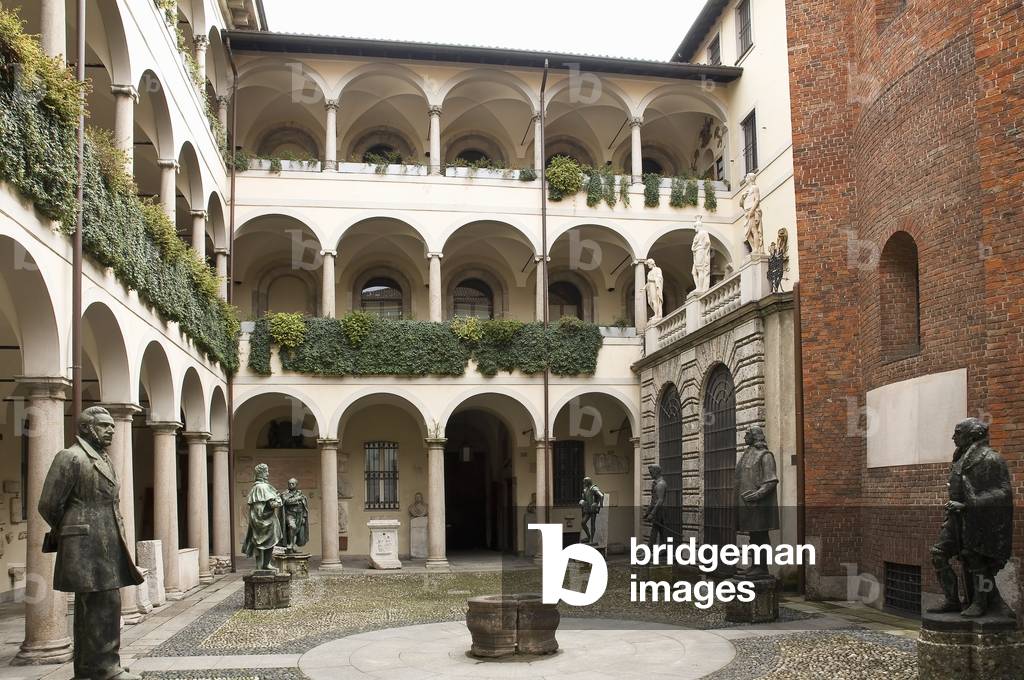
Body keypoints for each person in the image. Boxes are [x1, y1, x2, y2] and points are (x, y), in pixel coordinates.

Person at [39, 406, 144, 680]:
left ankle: (95, 667)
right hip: (86, 543)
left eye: (112, 425)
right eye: (105, 425)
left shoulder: (103, 458)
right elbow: (48, 505)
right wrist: (74, 531)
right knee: (102, 602)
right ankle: (104, 668)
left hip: (105, 540)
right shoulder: (71, 457)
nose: (111, 429)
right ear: (87, 428)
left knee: (101, 604)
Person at [928, 418, 1014, 617]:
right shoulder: (960, 457)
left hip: (976, 519)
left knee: (976, 559)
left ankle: (980, 602)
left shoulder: (991, 458)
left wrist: (969, 504)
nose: (953, 437)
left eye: (958, 433)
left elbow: (1003, 492)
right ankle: (951, 600)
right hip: (956, 517)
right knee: (938, 553)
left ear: (973, 434)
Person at [735, 426, 780, 578]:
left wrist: (756, 495)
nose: (744, 437)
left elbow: (771, 481)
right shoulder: (748, 454)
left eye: (746, 434)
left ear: (754, 436)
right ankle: (755, 565)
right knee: (754, 537)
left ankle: (762, 568)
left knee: (761, 536)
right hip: (748, 506)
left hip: (759, 506)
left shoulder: (765, 455)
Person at [242, 464, 283, 571]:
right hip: (267, 521)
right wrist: (278, 499)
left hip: (257, 520)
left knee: (260, 543)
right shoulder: (263, 487)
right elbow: (273, 504)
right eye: (266, 472)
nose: (268, 474)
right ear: (261, 474)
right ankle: (265, 564)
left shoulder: (255, 488)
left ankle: (261, 566)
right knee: (269, 542)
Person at [278, 478, 309, 553]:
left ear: (296, 485)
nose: (291, 485)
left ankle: (292, 547)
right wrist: (297, 499)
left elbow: (304, 506)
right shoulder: (285, 494)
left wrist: (304, 516)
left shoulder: (300, 494)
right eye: (289, 483)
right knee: (292, 526)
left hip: (299, 514)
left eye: (293, 484)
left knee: (296, 531)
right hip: (290, 514)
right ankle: (290, 544)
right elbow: (287, 502)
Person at [643, 464, 669, 547]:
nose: (650, 474)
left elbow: (659, 501)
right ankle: (665, 549)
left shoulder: (660, 484)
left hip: (659, 510)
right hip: (658, 510)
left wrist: (651, 514)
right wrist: (647, 512)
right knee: (662, 531)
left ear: (656, 472)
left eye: (651, 472)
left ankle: (649, 549)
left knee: (654, 531)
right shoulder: (655, 484)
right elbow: (653, 500)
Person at [740, 172, 763, 255]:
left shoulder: (754, 188)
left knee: (753, 230)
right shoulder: (746, 191)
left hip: (752, 211)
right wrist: (742, 197)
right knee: (747, 234)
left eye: (746, 177)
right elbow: (741, 205)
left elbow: (757, 199)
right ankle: (754, 248)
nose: (745, 179)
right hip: (746, 212)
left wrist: (752, 211)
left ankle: (756, 249)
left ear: (750, 178)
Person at [578, 477, 604, 545]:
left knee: (593, 524)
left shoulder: (594, 488)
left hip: (593, 508)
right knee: (583, 523)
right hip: (588, 509)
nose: (584, 483)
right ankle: (589, 537)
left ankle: (591, 540)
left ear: (588, 482)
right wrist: (582, 501)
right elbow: (584, 499)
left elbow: (601, 496)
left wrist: (599, 505)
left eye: (585, 482)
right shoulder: (585, 490)